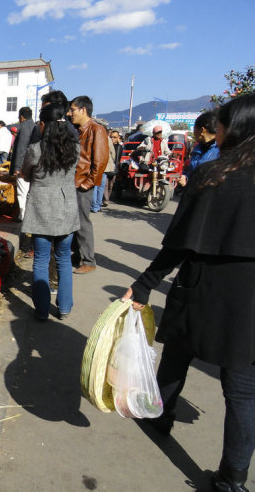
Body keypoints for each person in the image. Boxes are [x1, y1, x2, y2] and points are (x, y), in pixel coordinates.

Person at [122, 94, 255, 492]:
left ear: (235, 127)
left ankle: (160, 416)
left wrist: (145, 284)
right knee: (243, 389)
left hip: (201, 283)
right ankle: (232, 478)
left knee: (178, 351)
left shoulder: (213, 172)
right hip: (249, 299)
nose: (218, 131)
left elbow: (178, 241)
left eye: (222, 124)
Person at [21, 103, 80, 321]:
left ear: (44, 124)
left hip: (41, 208)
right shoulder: (74, 148)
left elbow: (26, 174)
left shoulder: (35, 150)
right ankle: (64, 308)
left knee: (41, 261)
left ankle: (42, 310)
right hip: (66, 208)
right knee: (64, 260)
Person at [67, 95, 109, 274]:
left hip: (83, 183)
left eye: (73, 110)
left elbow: (100, 161)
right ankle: (77, 255)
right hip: (76, 181)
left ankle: (89, 260)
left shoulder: (96, 129)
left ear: (83, 110)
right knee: (75, 221)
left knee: (83, 222)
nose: (70, 114)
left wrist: (88, 182)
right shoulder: (80, 130)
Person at [9, 107, 39, 223]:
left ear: (21, 117)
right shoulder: (34, 125)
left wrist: (17, 167)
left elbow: (21, 148)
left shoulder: (25, 127)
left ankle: (23, 215)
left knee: (22, 192)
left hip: (24, 166)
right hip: (31, 163)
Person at [178, 110, 220, 187]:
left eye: (194, 129)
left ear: (202, 130)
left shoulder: (220, 149)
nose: (193, 133)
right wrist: (185, 177)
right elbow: (191, 171)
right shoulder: (197, 148)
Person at [91, 132, 116, 212]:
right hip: (105, 165)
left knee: (95, 186)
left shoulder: (93, 137)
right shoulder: (107, 139)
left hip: (95, 164)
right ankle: (98, 205)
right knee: (101, 187)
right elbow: (113, 152)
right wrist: (111, 162)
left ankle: (94, 206)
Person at [105, 129, 123, 204]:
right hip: (106, 167)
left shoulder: (119, 147)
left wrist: (116, 168)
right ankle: (106, 199)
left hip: (114, 168)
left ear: (118, 138)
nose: (112, 139)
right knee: (105, 184)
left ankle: (107, 197)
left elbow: (117, 159)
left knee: (111, 185)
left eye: (115, 137)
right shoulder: (106, 144)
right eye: (111, 137)